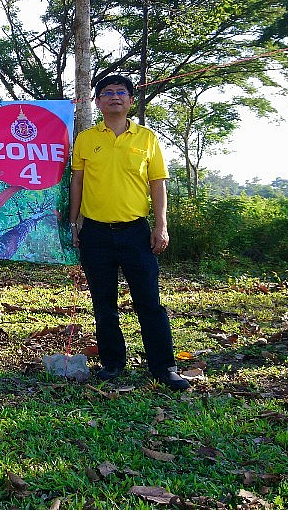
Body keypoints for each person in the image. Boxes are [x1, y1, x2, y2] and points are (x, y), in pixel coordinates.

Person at [69, 74, 190, 391]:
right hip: (95, 233)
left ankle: (164, 367)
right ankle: (112, 364)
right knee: (103, 303)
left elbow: (157, 184)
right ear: (97, 102)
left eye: (121, 92)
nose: (114, 97)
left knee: (149, 301)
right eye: (107, 92)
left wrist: (161, 226)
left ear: (131, 100)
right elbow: (77, 182)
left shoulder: (147, 138)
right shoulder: (85, 139)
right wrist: (74, 223)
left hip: (136, 232)